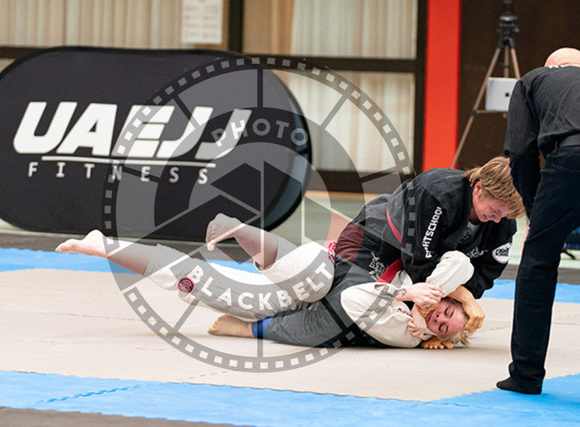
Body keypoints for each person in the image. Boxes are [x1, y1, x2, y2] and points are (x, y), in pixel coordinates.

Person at [55, 215, 473, 349]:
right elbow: (460, 264)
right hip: (324, 272)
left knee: (199, 282)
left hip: (306, 315)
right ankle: (239, 229)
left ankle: (103, 246)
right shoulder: (425, 282)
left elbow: (357, 301)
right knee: (312, 276)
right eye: (447, 311)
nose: (437, 316)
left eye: (441, 326)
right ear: (451, 300)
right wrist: (425, 290)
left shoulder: (405, 334)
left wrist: (407, 308)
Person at [242, 156, 524, 349]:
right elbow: (420, 262)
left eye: (505, 215)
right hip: (374, 242)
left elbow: (483, 275)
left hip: (416, 274)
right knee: (340, 317)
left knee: (402, 324)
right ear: (478, 188)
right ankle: (257, 325)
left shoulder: (503, 225)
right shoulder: (436, 192)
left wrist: (437, 323)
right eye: (495, 211)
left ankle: (419, 319)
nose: (497, 220)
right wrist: (463, 298)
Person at [498, 47, 580, 395]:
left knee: (537, 263)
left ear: (552, 67)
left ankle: (526, 375)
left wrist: (536, 212)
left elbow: (520, 151)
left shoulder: (533, 80)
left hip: (570, 158)